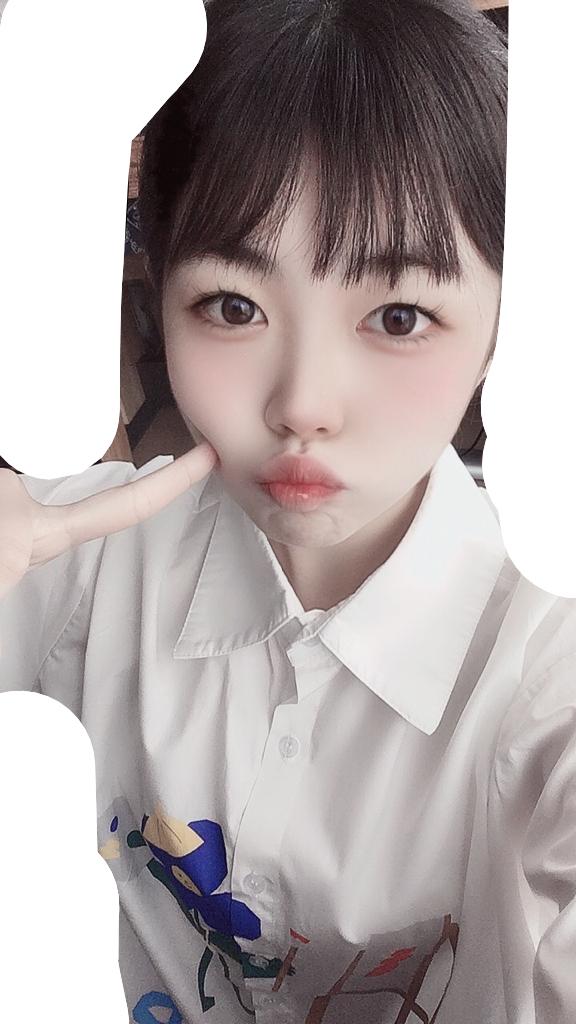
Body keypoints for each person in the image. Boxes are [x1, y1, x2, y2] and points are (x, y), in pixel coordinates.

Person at [1, 1, 575, 1021]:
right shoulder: (69, 559)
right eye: (234, 307)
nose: (304, 404)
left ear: (509, 324)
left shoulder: (544, 657)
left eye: (398, 316)